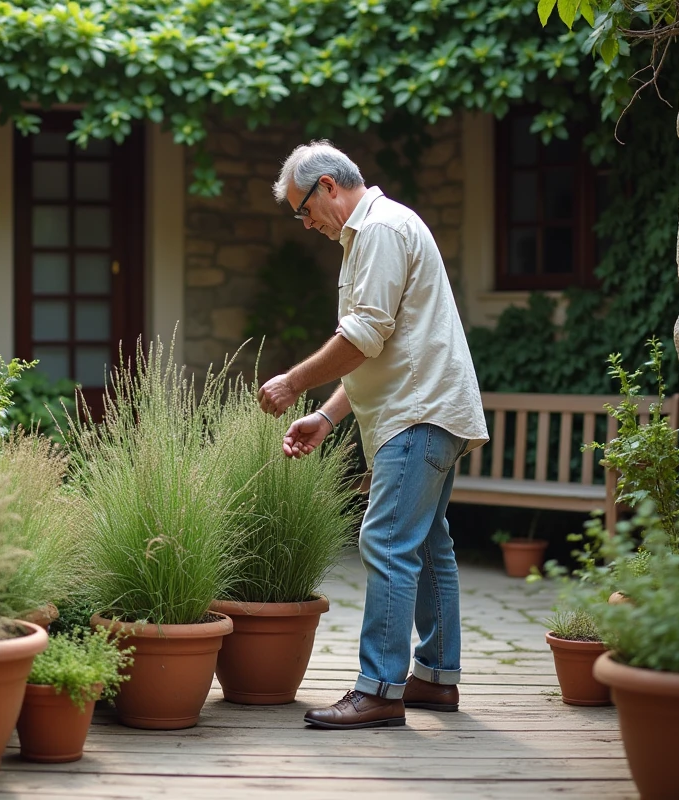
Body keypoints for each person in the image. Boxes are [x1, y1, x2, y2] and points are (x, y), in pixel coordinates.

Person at [259, 141, 488, 730]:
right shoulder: (372, 232)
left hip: (416, 413)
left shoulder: (381, 230)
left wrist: (294, 382)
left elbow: (363, 334)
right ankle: (436, 679)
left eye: (303, 208)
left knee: (385, 541)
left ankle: (380, 689)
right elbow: (377, 349)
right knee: (429, 545)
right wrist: (327, 416)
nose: (305, 222)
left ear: (329, 184)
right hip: (428, 409)